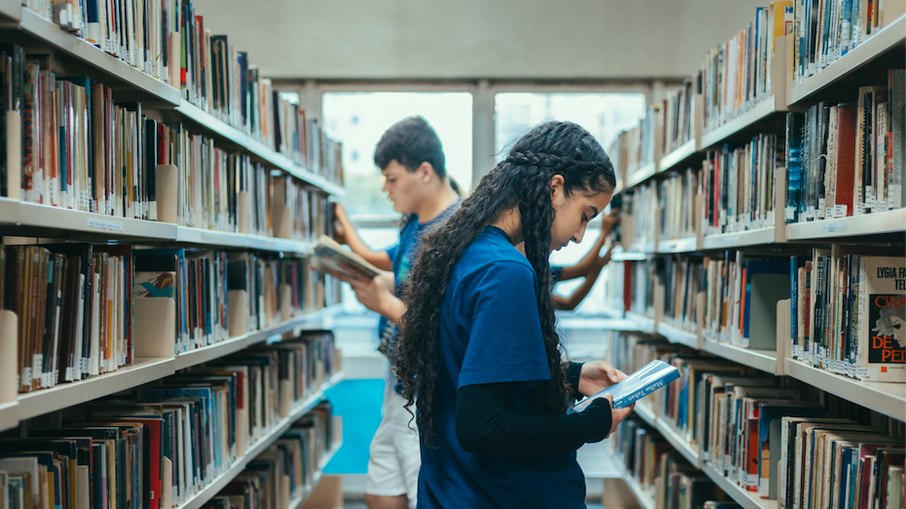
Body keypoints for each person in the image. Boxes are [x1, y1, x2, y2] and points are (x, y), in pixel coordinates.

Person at [394, 121, 633, 508]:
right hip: (499, 494)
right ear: (555, 188)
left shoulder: (464, 251)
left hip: (453, 490)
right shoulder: (506, 272)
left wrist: (570, 375)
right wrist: (594, 422)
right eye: (586, 215)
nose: (578, 236)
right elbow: (483, 426)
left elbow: (474, 373)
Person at [331, 116, 460, 509]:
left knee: (421, 491)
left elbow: (450, 326)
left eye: (391, 178)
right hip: (399, 378)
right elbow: (396, 268)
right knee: (381, 491)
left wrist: (385, 304)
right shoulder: (415, 226)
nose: (386, 189)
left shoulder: (456, 232)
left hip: (429, 389)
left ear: (424, 172)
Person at [548, 209, 620, 310]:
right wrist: (604, 233)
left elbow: (570, 303)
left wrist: (601, 264)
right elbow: (582, 270)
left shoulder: (541, 271)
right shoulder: (537, 271)